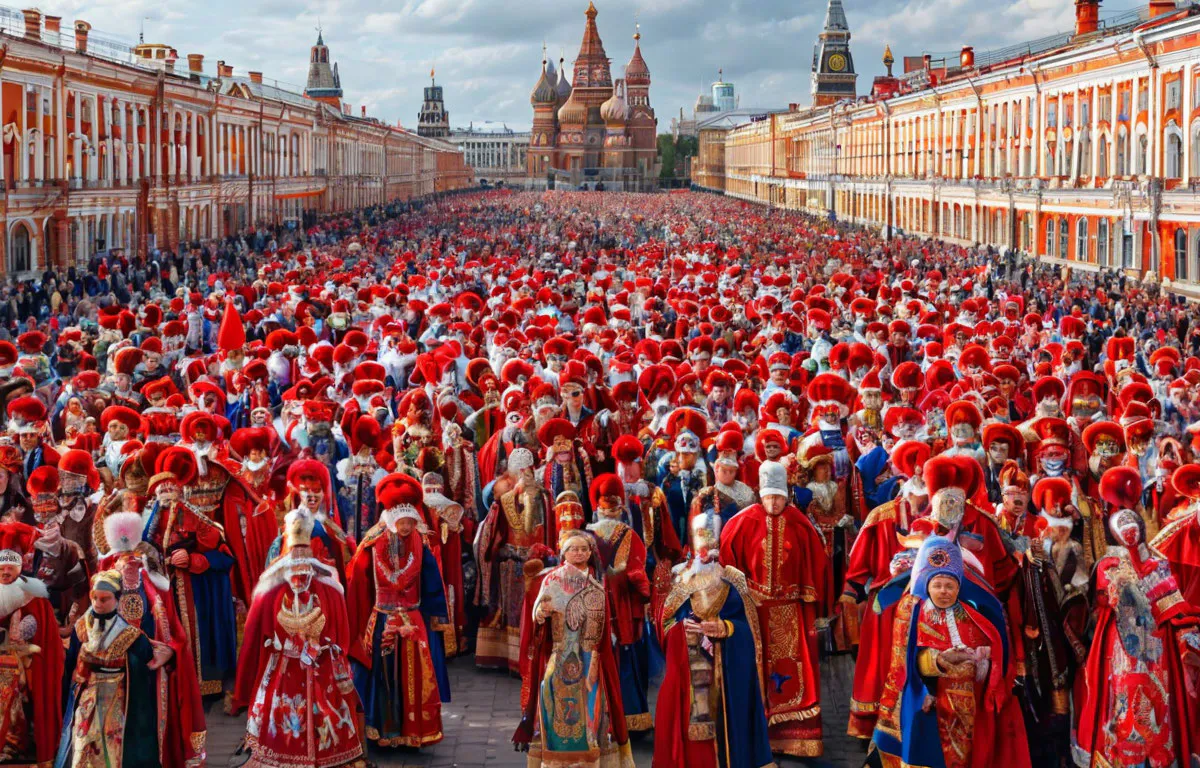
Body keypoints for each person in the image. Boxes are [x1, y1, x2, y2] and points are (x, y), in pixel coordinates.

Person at [870, 535, 1031, 768]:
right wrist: (940, 660)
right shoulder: (915, 613)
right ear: (927, 586)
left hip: (967, 707)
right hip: (930, 700)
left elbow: (994, 651)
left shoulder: (972, 616)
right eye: (937, 585)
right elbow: (904, 662)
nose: (943, 591)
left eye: (950, 586)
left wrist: (982, 658)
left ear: (959, 587)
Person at [231, 512, 367, 768]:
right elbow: (259, 632)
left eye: (304, 550)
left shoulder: (328, 588)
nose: (300, 557)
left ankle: (329, 754)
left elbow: (340, 630)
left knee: (327, 711)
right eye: (296, 550)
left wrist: (327, 647)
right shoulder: (272, 589)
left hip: (321, 665)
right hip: (285, 667)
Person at [718, 460, 831, 758]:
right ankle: (757, 731)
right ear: (761, 495)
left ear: (787, 496)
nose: (774, 503)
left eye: (779, 498)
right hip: (753, 611)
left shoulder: (800, 524)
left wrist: (808, 599)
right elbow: (728, 565)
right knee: (755, 668)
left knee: (791, 670)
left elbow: (816, 563)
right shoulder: (741, 523)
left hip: (789, 611)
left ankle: (792, 735)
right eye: (769, 497)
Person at [654, 507, 773, 768]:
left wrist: (726, 628)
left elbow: (750, 629)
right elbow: (665, 623)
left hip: (726, 668)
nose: (706, 553)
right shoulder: (682, 579)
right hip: (691, 667)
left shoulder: (734, 580)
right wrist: (682, 630)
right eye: (702, 546)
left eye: (711, 546)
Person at [347, 473, 450, 748]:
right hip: (382, 617)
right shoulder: (373, 541)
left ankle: (412, 731)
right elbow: (359, 580)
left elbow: (429, 576)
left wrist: (435, 613)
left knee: (413, 675)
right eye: (401, 521)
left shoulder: (419, 540)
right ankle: (383, 731)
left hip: (412, 616)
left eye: (409, 522)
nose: (405, 527)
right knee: (383, 675)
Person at [513, 532, 633, 768]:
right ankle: (556, 758)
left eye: (583, 549)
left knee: (590, 708)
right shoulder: (551, 580)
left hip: (589, 657)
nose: (579, 553)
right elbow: (537, 614)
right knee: (551, 698)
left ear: (590, 553)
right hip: (560, 653)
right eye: (573, 549)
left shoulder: (596, 584)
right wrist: (541, 613)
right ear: (564, 553)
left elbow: (603, 628)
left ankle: (587, 758)